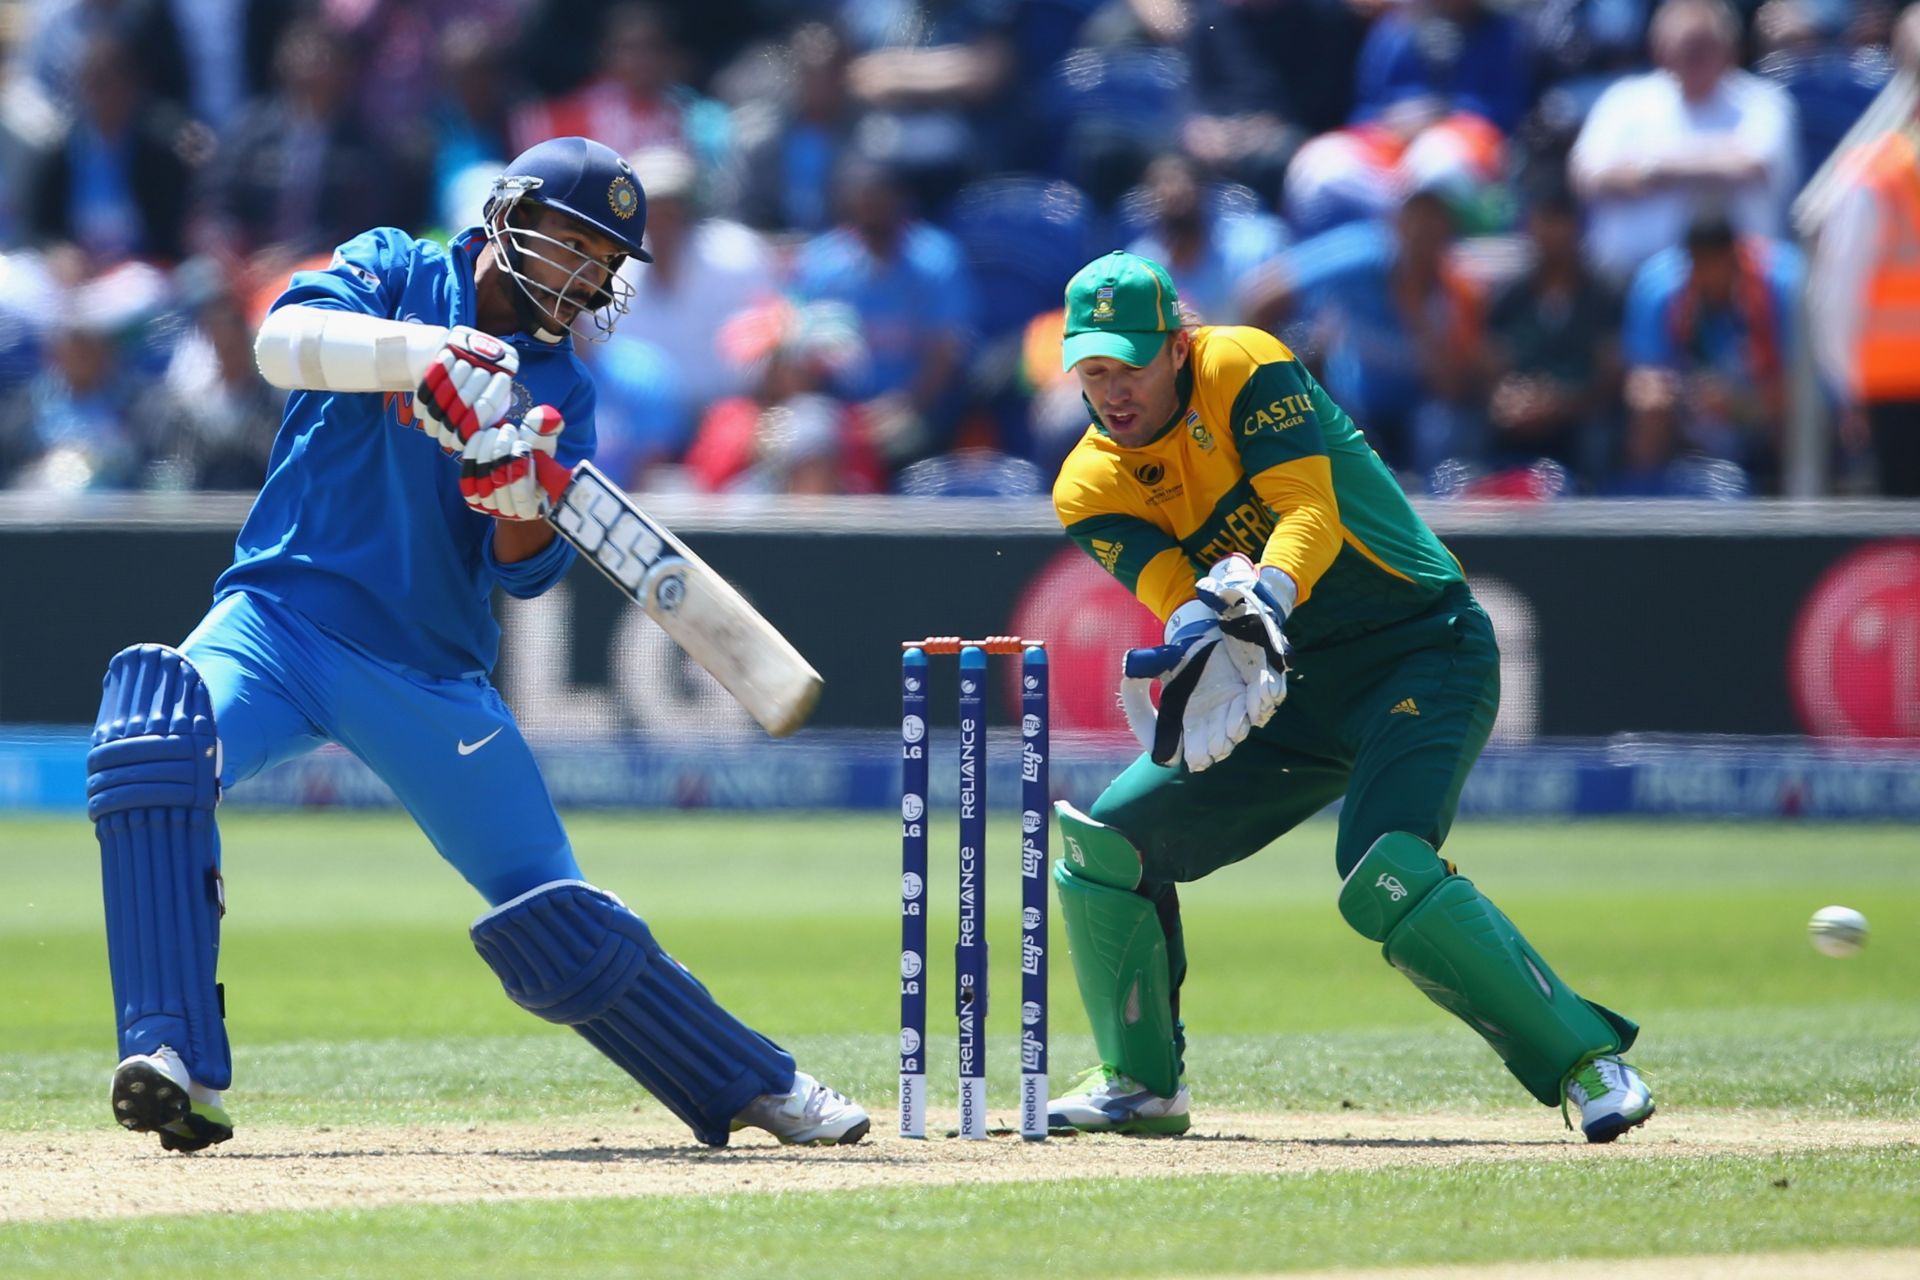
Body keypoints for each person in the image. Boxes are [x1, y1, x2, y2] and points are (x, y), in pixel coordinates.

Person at [84, 136, 868, 1154]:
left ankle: (761, 1083)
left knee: (557, 915)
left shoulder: (563, 389)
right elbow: (284, 341)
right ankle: (171, 1057)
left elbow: (525, 569)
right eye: (573, 244)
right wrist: (429, 354)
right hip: (276, 623)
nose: (585, 277)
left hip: (426, 675)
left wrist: (512, 499)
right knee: (155, 741)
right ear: (511, 214)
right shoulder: (400, 268)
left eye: (603, 264)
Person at [1043, 250, 1655, 1143]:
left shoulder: (1241, 365)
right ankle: (1142, 1084)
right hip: (1283, 685)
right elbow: (1180, 595)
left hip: (1418, 650)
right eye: (1093, 372)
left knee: (1384, 873)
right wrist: (1201, 637)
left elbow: (1310, 513)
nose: (1113, 392)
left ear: (1178, 347)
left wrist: (1270, 599)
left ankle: (1588, 1064)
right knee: (1103, 848)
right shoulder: (1087, 486)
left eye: (1130, 366)